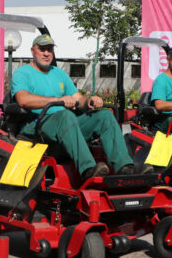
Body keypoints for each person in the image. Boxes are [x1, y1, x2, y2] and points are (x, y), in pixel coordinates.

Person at [11, 34, 150, 180]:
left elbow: (79, 99)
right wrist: (58, 100)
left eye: (49, 49)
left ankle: (125, 168)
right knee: (66, 115)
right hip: (37, 126)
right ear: (33, 51)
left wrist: (89, 101)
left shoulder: (58, 73)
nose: (46, 53)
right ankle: (88, 169)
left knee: (105, 116)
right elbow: (23, 99)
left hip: (65, 125)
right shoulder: (23, 73)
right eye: (42, 49)